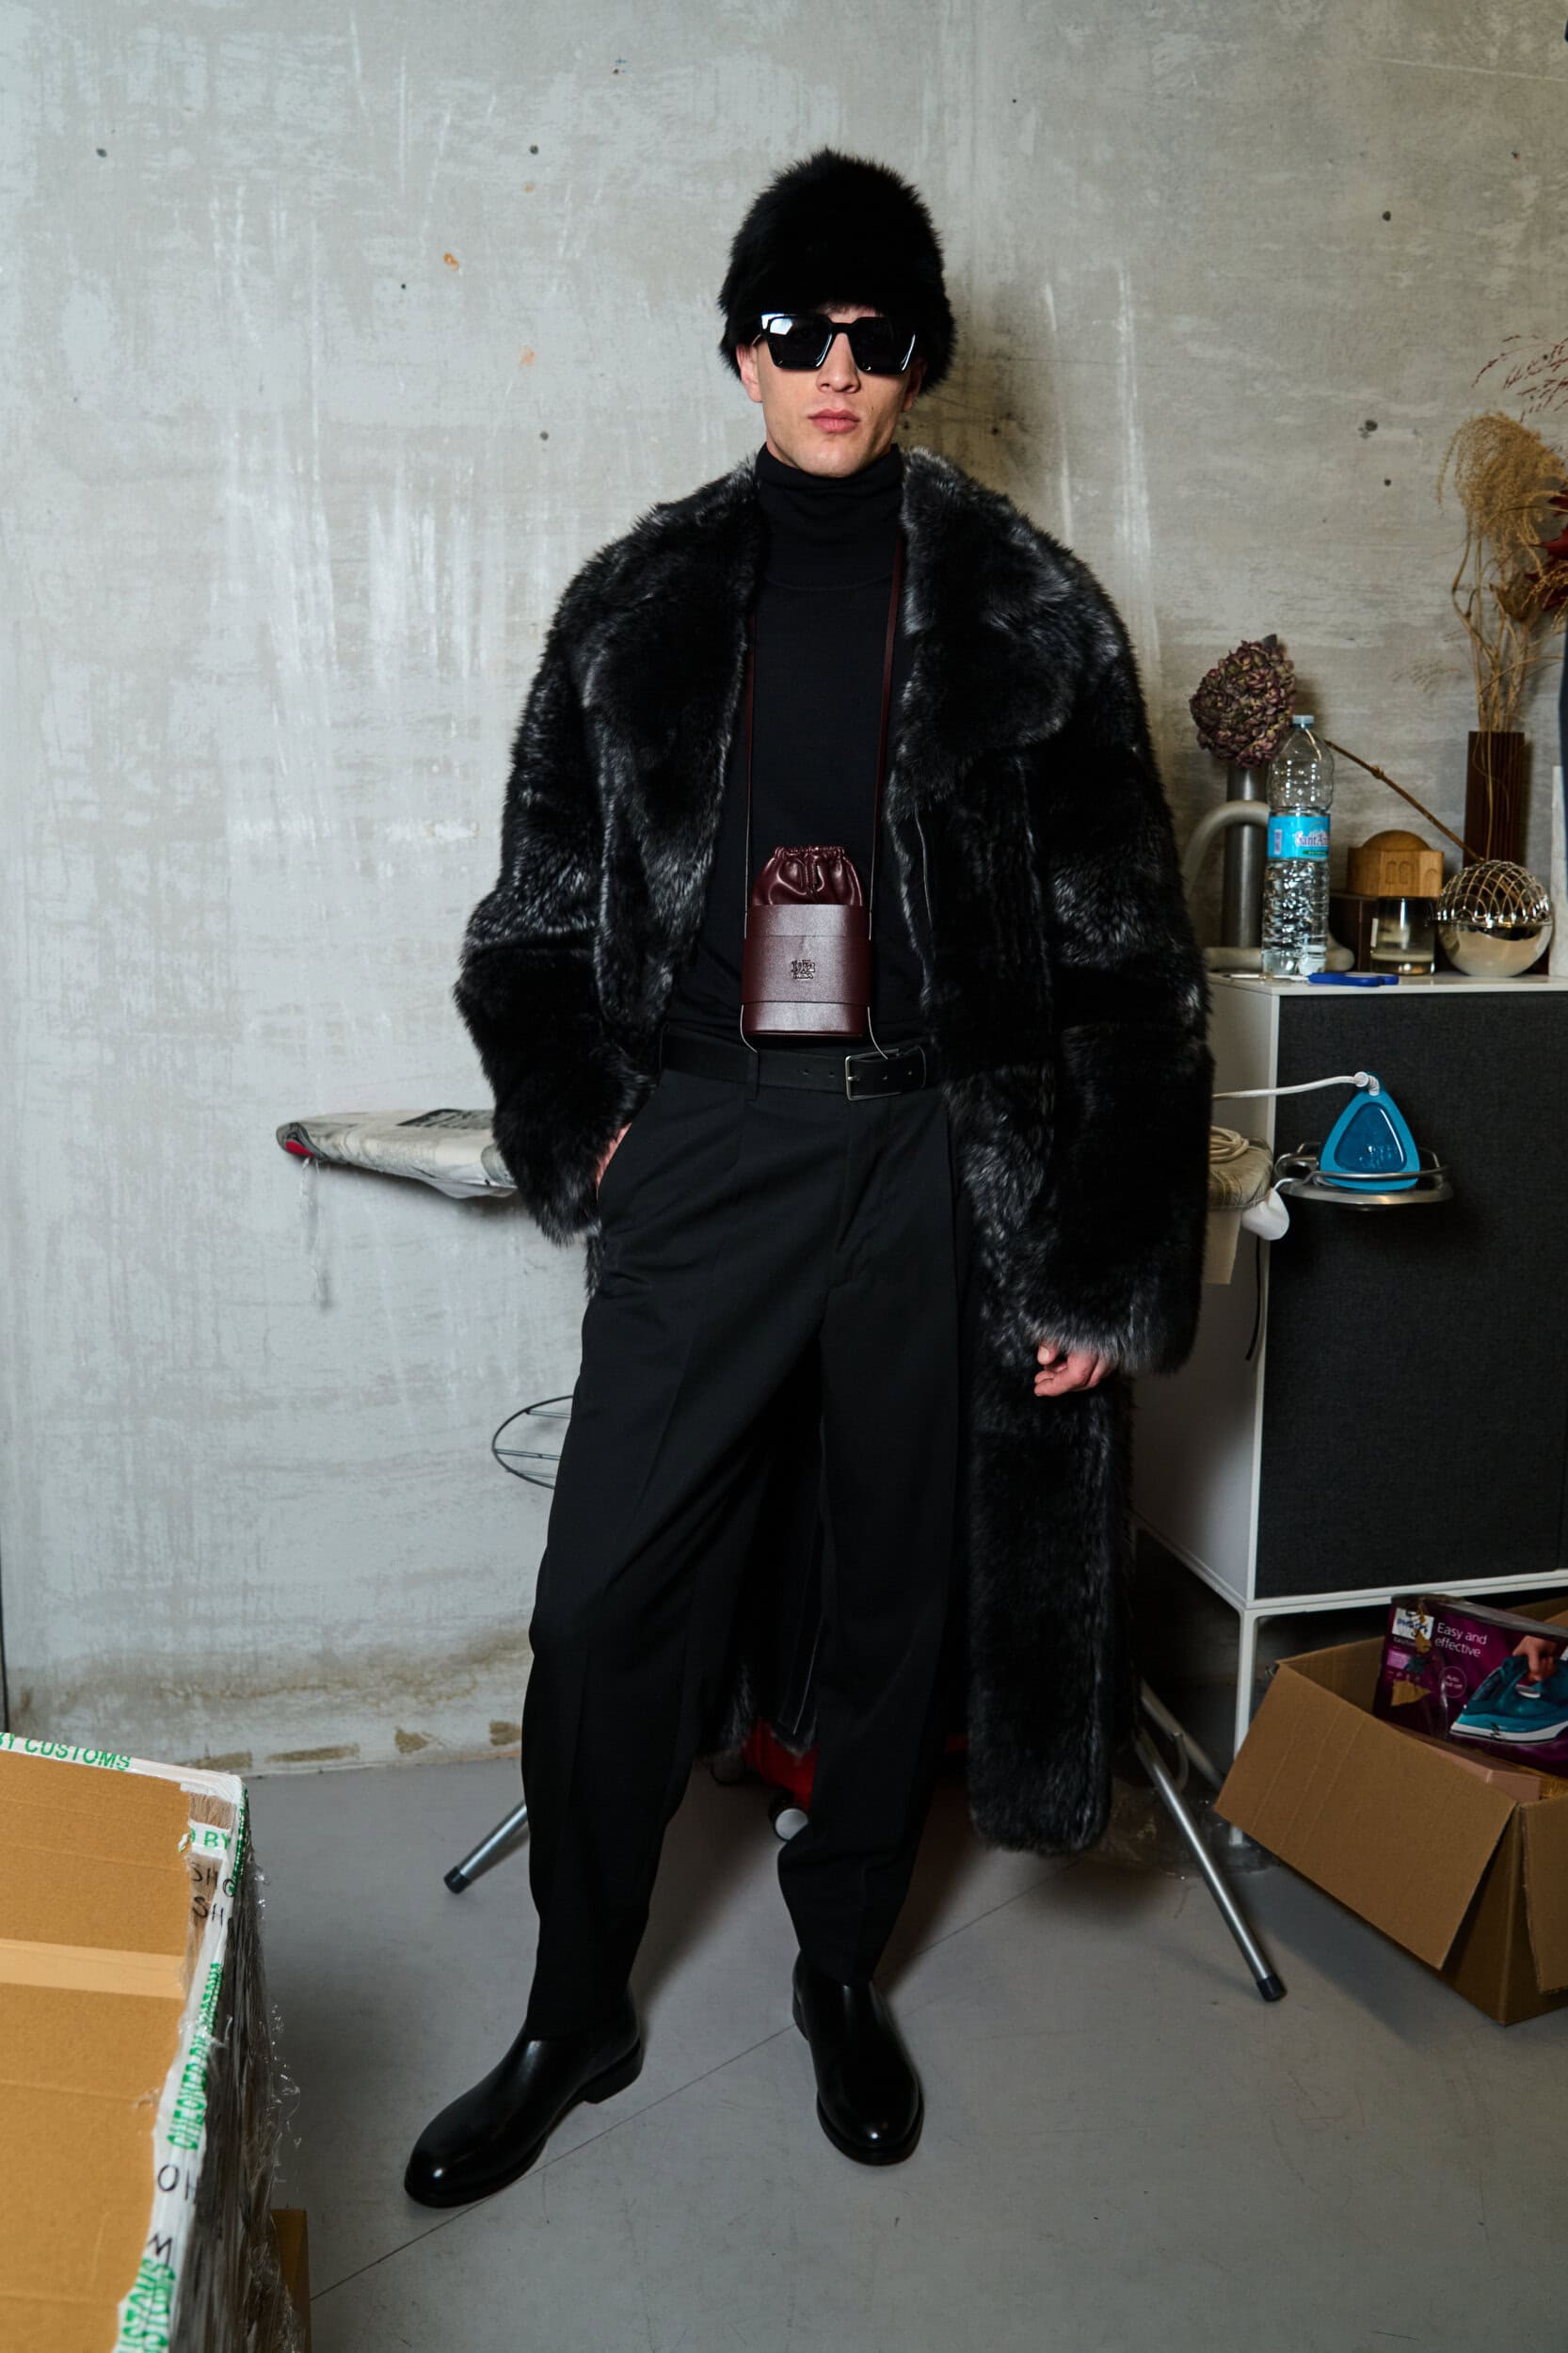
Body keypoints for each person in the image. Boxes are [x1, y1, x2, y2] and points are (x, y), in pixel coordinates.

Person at [405, 148, 1212, 2206]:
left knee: (891, 1592)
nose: (833, 366)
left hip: (934, 1149)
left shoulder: (1030, 610)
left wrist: (1092, 1259)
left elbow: (1132, 967)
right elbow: (528, 922)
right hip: (707, 1137)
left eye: (873, 333)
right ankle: (573, 2005)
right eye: (795, 330)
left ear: (915, 356)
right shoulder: (636, 605)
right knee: (604, 1601)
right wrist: (587, 1117)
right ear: (739, 352)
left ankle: (837, 1961)